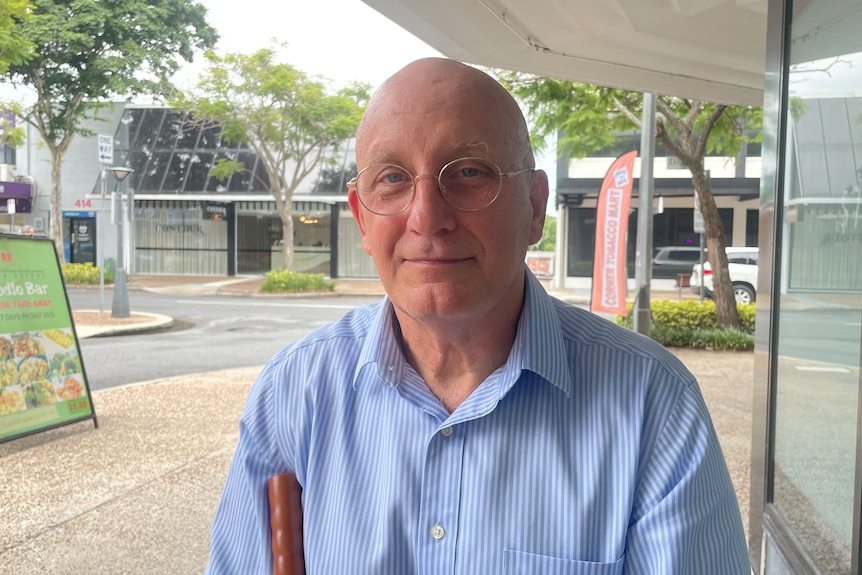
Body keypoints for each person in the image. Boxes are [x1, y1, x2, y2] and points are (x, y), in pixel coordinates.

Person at [206, 58, 750, 574]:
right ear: (362, 219)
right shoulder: (293, 394)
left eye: (468, 172)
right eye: (393, 178)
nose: (427, 217)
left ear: (535, 207)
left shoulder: (653, 404)